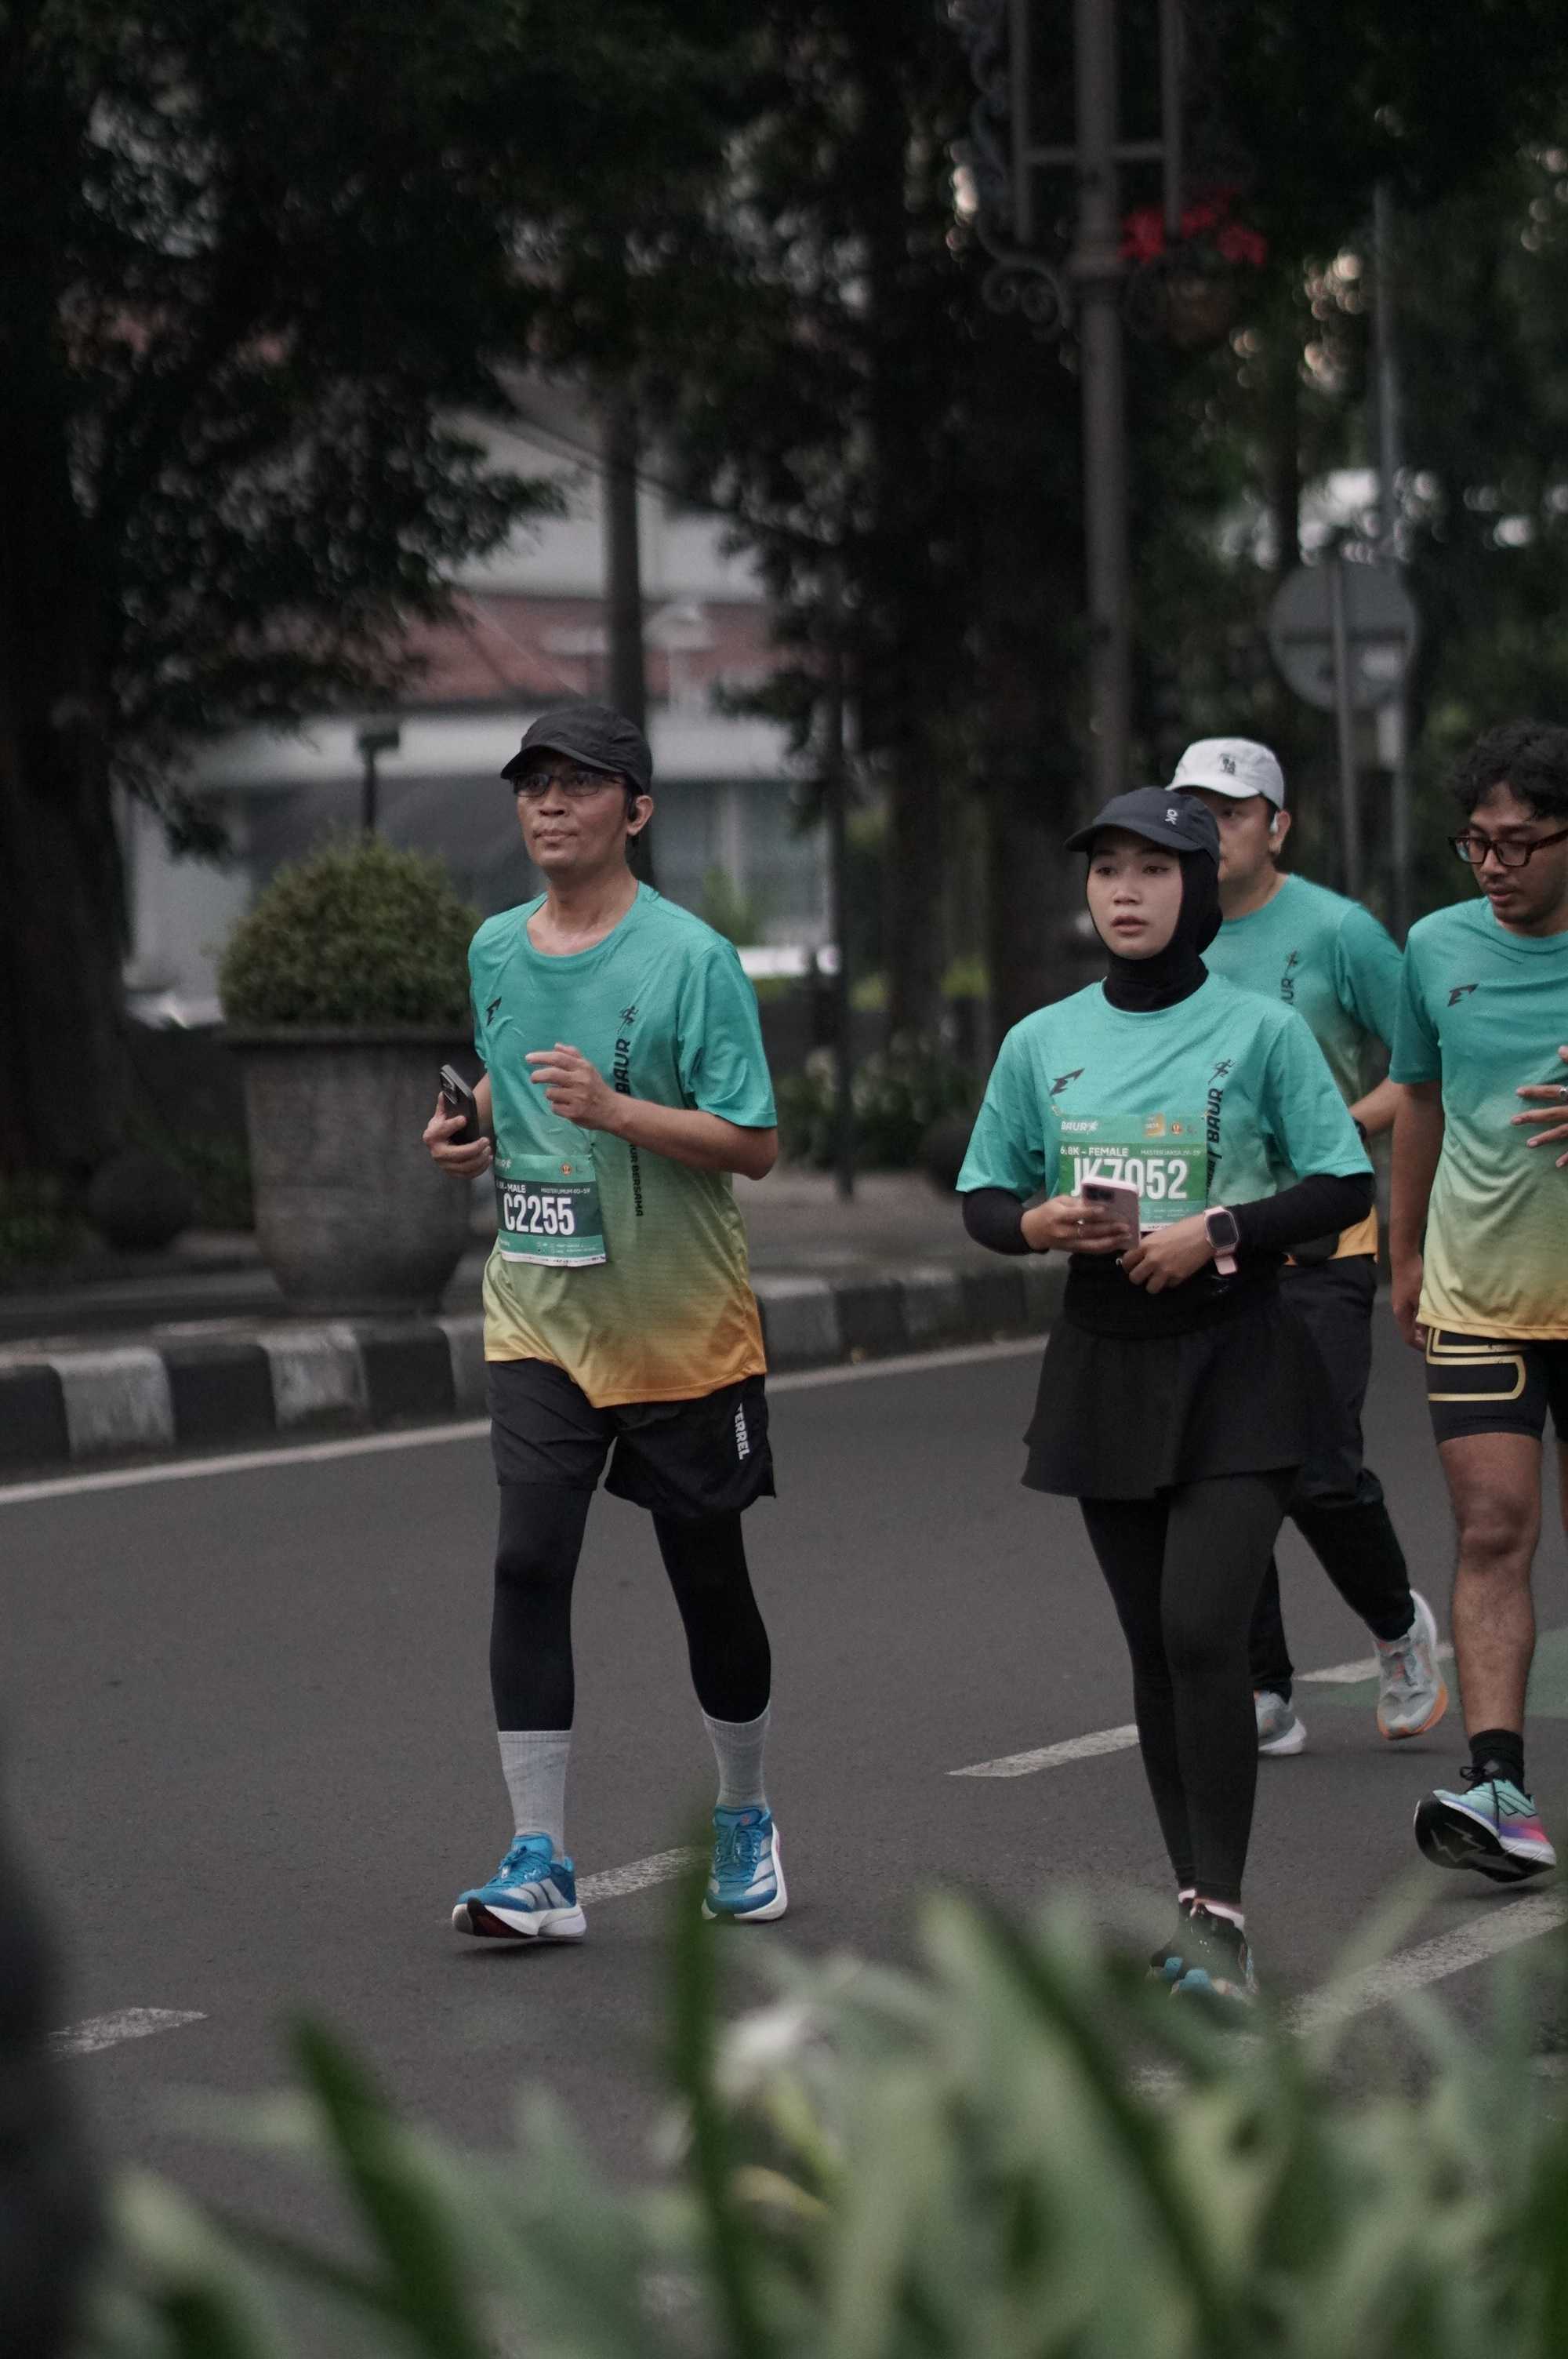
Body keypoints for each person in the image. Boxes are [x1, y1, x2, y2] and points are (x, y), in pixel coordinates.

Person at [958, 788, 1373, 2005]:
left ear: (1198, 889)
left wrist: (1218, 1229)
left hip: (1241, 1356)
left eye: (1152, 869)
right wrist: (1035, 1223)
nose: (1125, 891)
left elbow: (1342, 1184)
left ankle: (1224, 1918)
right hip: (1106, 1359)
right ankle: (1196, 1907)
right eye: (1107, 871)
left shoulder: (1263, 1032)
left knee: (1202, 1630)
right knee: (1155, 1647)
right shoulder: (1042, 1041)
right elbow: (985, 1198)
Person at [425, 702, 787, 1939]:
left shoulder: (693, 960)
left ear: (636, 810)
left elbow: (755, 1143)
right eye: (533, 783)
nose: (549, 803)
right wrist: (470, 1124)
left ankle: (745, 1813)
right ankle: (540, 1858)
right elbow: (510, 1072)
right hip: (538, 1308)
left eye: (579, 783)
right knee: (528, 1559)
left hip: (678, 1322)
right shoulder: (494, 948)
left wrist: (619, 1111)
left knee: (707, 1575)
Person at [1171, 737, 1446, 1756]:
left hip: (1324, 1237)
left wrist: (1334, 1129)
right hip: (1203, 1244)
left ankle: (1396, 1627)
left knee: (1319, 1468)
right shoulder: (1168, 936)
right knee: (1219, 1470)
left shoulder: (1339, 931)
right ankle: (1263, 1687)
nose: (1212, 831)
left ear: (1277, 826)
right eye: (1195, 812)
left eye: (1232, 812)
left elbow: (1424, 1064)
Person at [1390, 722, 1568, 1883]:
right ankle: (1498, 1785)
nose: (1494, 865)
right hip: (1479, 1292)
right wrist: (1403, 1255)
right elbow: (1420, 1099)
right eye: (1476, 843)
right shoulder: (1436, 945)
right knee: (1493, 1528)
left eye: (1519, 843)